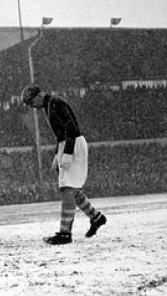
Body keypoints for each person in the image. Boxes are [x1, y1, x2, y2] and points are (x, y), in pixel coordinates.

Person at [21, 84, 107, 245]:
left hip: (73, 144)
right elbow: (61, 133)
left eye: (31, 102)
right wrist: (57, 154)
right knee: (70, 189)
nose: (31, 106)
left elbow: (70, 129)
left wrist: (67, 153)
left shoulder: (55, 103)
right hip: (66, 144)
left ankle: (65, 233)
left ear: (38, 95)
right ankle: (96, 217)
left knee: (67, 188)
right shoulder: (49, 105)